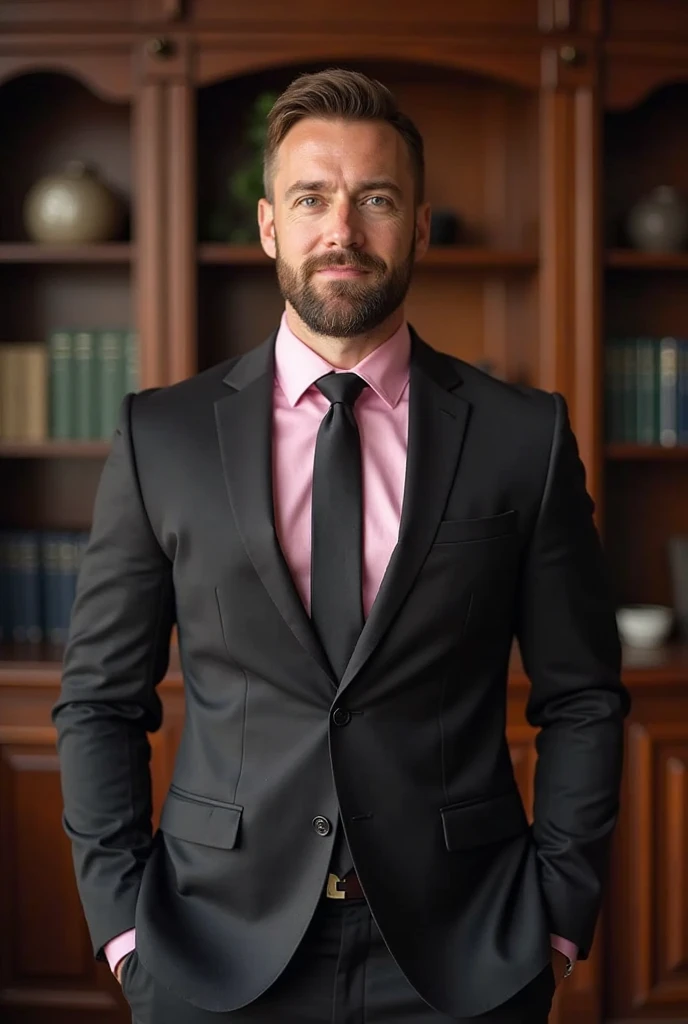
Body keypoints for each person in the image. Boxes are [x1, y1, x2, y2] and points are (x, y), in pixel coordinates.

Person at [53, 69, 630, 1024]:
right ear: (271, 225)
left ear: (421, 226)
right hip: (210, 951)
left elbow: (582, 697)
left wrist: (558, 921)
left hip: (463, 956)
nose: (343, 231)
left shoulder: (522, 437)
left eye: (377, 199)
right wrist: (125, 933)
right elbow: (100, 702)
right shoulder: (164, 435)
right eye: (312, 198)